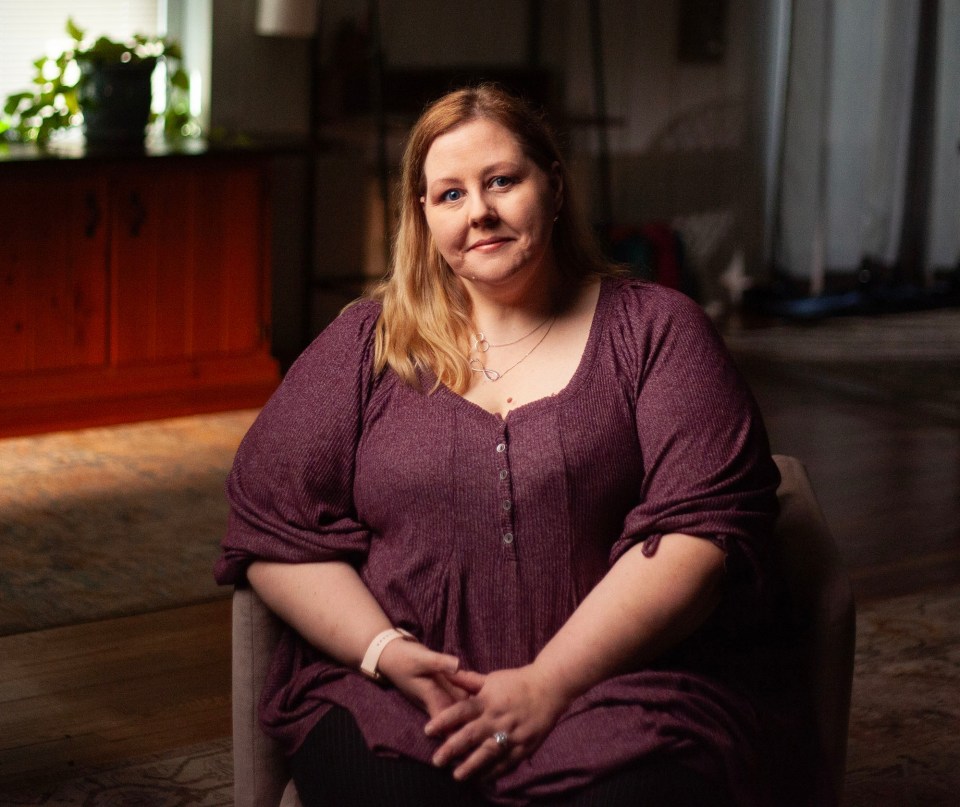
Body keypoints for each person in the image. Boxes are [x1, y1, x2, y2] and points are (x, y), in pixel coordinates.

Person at [215, 85, 791, 807]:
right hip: (399, 696)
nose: (478, 210)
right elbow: (273, 526)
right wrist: (385, 652)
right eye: (449, 194)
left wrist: (549, 682)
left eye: (501, 181)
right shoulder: (366, 346)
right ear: (422, 218)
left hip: (619, 689)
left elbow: (700, 536)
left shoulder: (658, 332)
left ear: (553, 186)